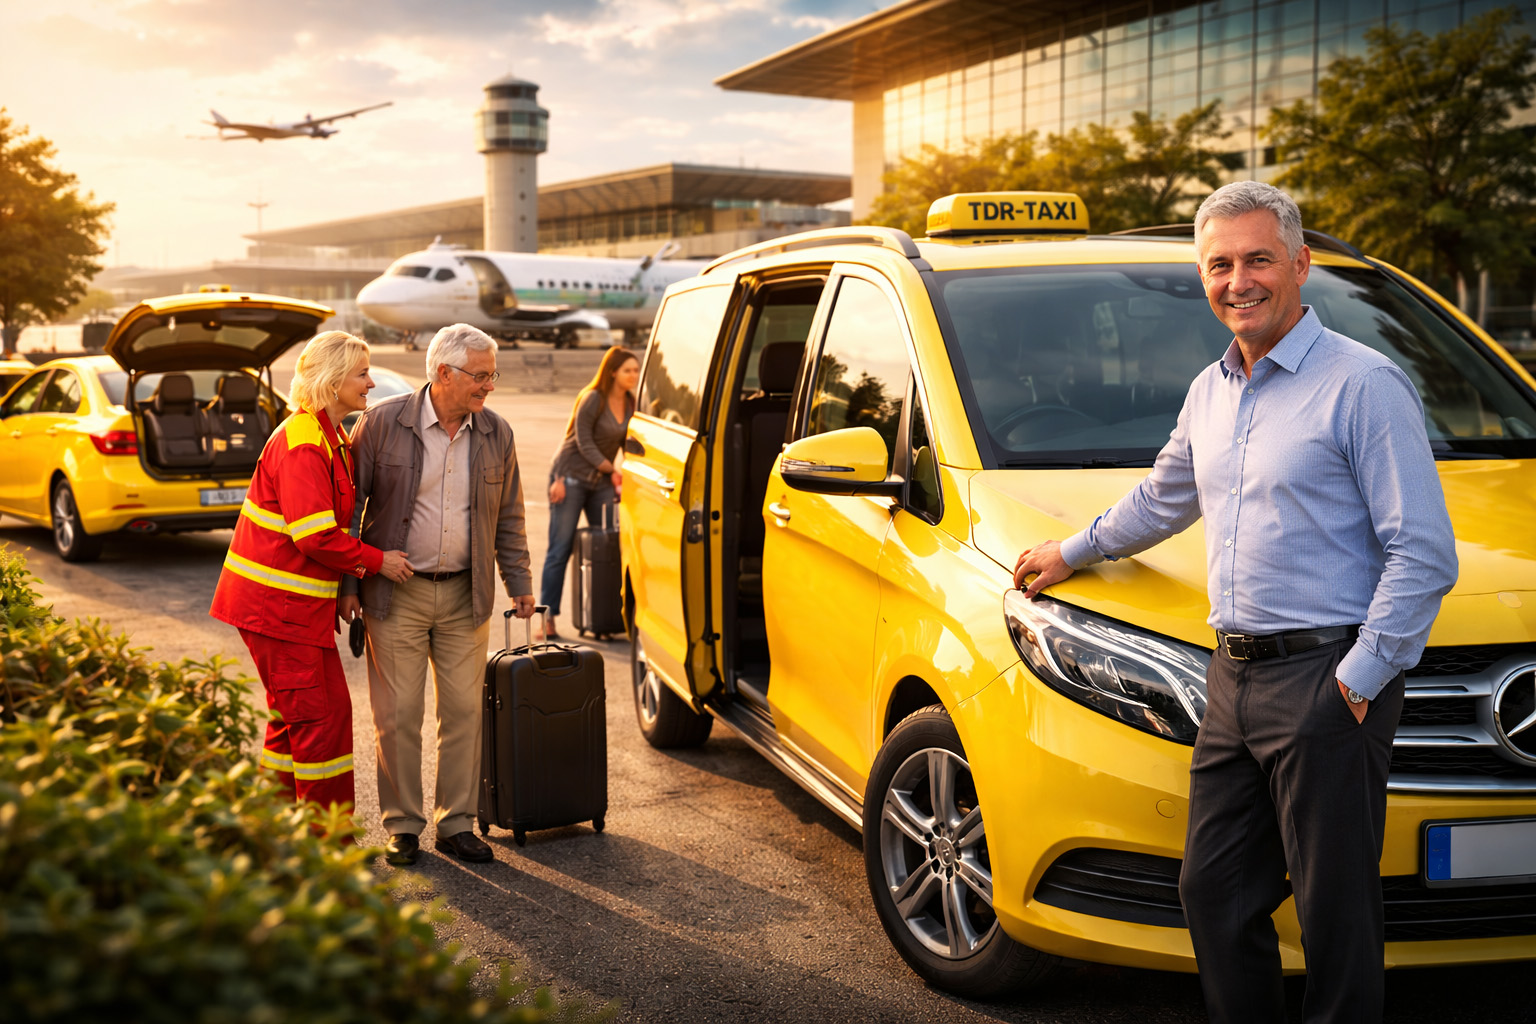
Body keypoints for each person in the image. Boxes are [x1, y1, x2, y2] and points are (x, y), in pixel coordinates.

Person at [1012, 181, 1457, 1024]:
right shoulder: (1210, 390)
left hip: (1327, 680)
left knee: (1335, 914)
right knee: (1213, 890)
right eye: (1219, 264)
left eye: (1258, 259)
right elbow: (1162, 499)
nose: (1237, 280)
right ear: (1201, 275)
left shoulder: (1364, 385)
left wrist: (1359, 678)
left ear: (1300, 264)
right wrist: (1069, 552)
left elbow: (1423, 553)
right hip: (1232, 677)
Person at [338, 323, 536, 866]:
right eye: (481, 375)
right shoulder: (381, 423)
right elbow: (348, 511)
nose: (489, 385)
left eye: (492, 374)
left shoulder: (496, 433)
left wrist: (519, 583)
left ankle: (456, 824)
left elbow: (510, 516)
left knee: (464, 713)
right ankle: (402, 825)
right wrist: (351, 582)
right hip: (394, 596)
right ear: (444, 373)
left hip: (464, 595)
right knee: (397, 715)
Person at [210, 331, 412, 823]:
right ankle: (327, 846)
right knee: (322, 720)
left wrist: (343, 592)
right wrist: (378, 561)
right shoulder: (304, 442)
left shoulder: (329, 435)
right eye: (362, 373)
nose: (370, 382)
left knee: (292, 719)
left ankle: (276, 828)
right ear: (332, 379)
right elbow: (317, 536)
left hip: (291, 612)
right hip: (276, 611)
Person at [537, 345, 638, 639]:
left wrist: (628, 473)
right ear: (613, 372)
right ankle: (547, 618)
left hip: (601, 481)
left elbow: (626, 444)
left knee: (608, 547)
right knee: (561, 549)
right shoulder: (593, 398)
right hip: (568, 477)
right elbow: (583, 441)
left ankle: (601, 620)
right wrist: (613, 469)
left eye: (635, 370)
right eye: (628, 370)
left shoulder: (631, 402)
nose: (634, 375)